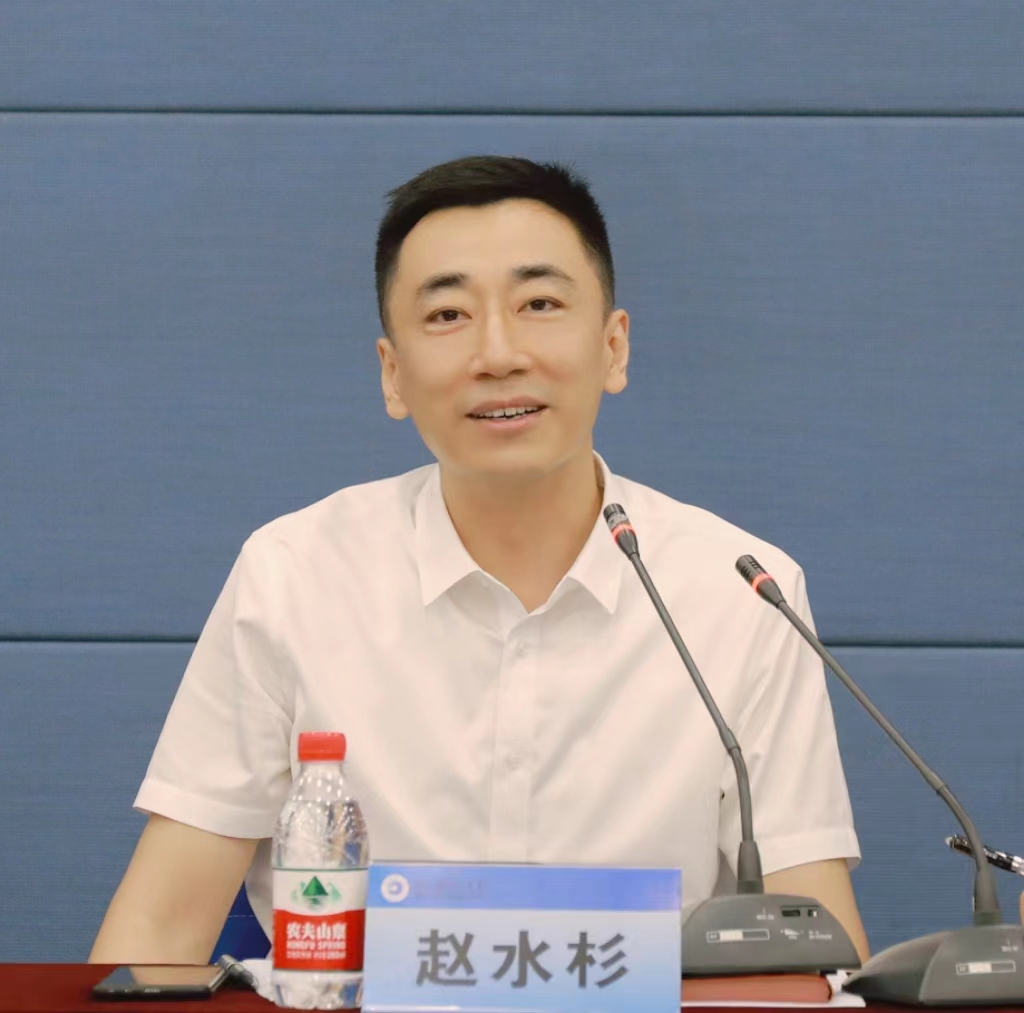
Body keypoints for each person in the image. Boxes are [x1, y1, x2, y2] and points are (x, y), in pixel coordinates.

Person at [90, 155, 870, 963]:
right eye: (448, 314)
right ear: (393, 374)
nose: (498, 353)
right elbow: (158, 931)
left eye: (540, 304)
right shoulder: (294, 575)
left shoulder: (742, 590)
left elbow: (813, 955)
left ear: (613, 347)